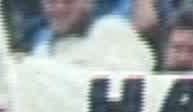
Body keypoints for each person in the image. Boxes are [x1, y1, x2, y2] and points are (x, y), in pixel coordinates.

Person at [28, 0, 156, 70]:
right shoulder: (40, 51)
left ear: (89, 3)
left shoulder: (111, 31)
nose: (59, 8)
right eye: (51, 2)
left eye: (68, 2)